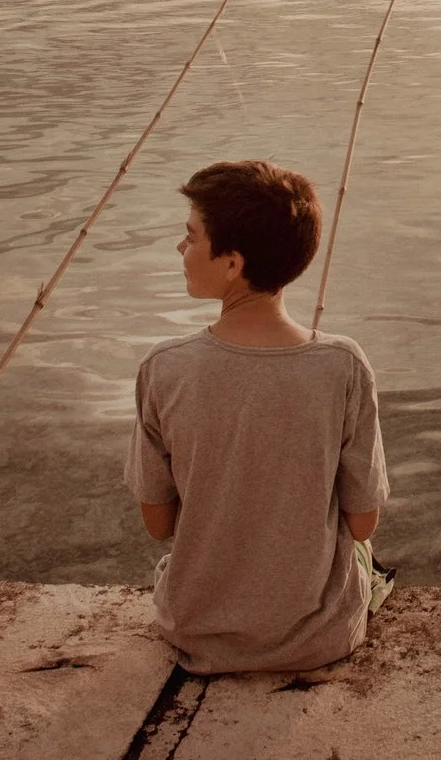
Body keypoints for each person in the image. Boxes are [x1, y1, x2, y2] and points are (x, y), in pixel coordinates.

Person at [126, 160, 392, 676]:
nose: (180, 248)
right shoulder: (344, 365)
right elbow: (363, 523)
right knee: (362, 552)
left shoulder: (164, 368)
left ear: (232, 263)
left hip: (195, 631)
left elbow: (159, 525)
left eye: (191, 236)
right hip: (320, 638)